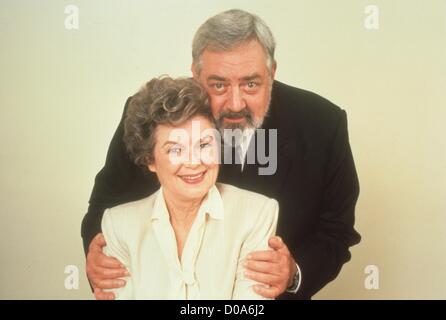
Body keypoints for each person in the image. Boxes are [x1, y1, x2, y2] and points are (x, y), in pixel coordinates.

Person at [82, 9, 361, 300]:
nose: (236, 103)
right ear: (196, 75)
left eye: (251, 84)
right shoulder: (151, 116)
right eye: (218, 85)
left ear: (272, 72)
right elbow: (105, 204)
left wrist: (294, 273)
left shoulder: (323, 123)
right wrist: (99, 256)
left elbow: (337, 231)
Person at [101, 76, 278, 299]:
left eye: (204, 145)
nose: (194, 162)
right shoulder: (119, 225)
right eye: (176, 150)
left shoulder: (257, 213)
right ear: (150, 159)